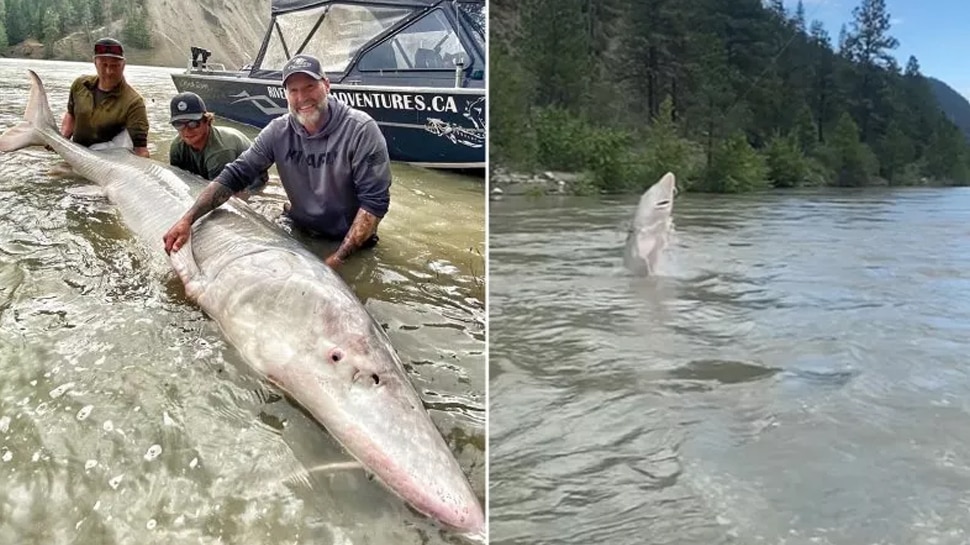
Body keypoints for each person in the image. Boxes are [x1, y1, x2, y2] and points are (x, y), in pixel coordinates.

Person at [162, 53, 391, 269]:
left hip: (351, 242)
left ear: (327, 85)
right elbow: (236, 174)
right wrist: (187, 220)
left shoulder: (361, 130)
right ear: (286, 95)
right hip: (297, 230)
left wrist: (339, 259)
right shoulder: (278, 131)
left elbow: (374, 203)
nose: (302, 98)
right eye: (293, 90)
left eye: (310, 86)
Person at [60, 37, 150, 158]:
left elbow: (140, 149)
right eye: (104, 65)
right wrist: (62, 138)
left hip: (108, 161)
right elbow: (71, 114)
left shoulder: (134, 102)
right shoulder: (80, 85)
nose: (109, 71)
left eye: (115, 66)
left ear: (123, 65)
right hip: (76, 155)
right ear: (95, 63)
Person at [168, 91, 268, 195]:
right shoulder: (177, 147)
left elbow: (218, 194)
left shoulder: (221, 151)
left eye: (193, 124)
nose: (187, 131)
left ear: (207, 121)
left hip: (252, 178)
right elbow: (179, 181)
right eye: (178, 124)